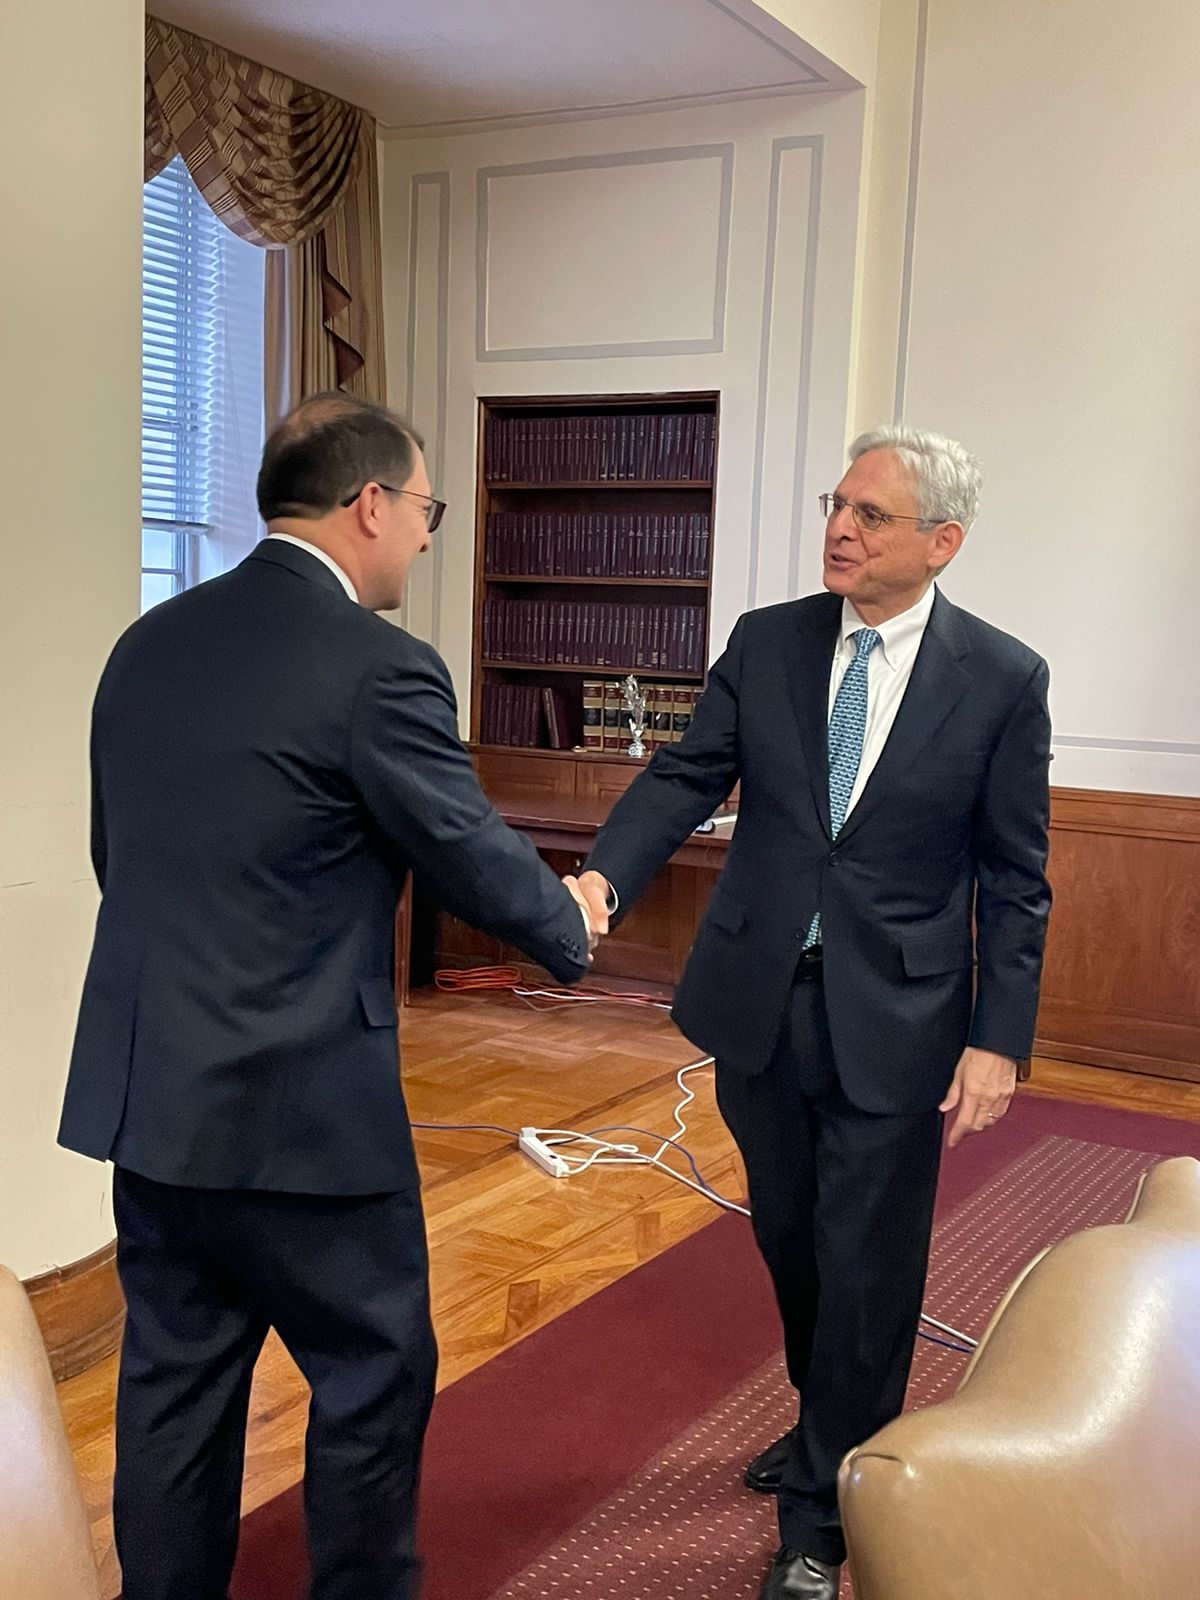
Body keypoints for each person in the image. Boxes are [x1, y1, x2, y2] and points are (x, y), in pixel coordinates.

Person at [58, 392, 604, 1600]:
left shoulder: (146, 644)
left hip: (156, 1101)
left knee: (172, 1390)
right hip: (306, 1119)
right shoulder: (380, 670)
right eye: (423, 510)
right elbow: (463, 846)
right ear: (369, 505)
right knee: (371, 1376)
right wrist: (571, 920)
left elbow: (119, 855)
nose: (422, 535)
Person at [575, 426, 1051, 1600]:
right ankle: (826, 1408)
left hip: (902, 1013)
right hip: (759, 1001)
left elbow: (1016, 874)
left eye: (870, 515)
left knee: (871, 1258)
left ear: (941, 542)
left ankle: (825, 1512)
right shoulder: (768, 640)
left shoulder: (1002, 677)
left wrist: (999, 1036)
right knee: (790, 1231)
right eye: (837, 505)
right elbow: (689, 772)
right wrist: (602, 876)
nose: (839, 527)